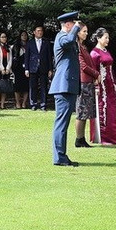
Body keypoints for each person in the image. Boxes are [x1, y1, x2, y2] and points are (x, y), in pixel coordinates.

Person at [50, 12, 82, 167]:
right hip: (63, 86)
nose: (77, 27)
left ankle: (60, 155)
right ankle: (59, 157)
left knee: (63, 122)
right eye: (74, 24)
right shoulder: (62, 37)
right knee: (61, 123)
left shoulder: (67, 39)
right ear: (68, 25)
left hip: (68, 86)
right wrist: (76, 28)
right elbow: (69, 40)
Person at [90, 28, 116, 145]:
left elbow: (110, 68)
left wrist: (114, 82)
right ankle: (103, 136)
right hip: (101, 85)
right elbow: (93, 71)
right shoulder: (94, 53)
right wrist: (96, 86)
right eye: (105, 37)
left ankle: (112, 136)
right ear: (98, 38)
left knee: (111, 110)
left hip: (110, 84)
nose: (108, 40)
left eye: (108, 37)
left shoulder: (106, 51)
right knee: (103, 108)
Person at [75, 23, 98, 147]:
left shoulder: (83, 47)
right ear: (78, 32)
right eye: (84, 31)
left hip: (88, 81)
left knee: (86, 112)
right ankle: (78, 139)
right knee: (81, 111)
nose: (86, 33)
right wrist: (96, 74)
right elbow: (83, 66)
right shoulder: (77, 47)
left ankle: (81, 138)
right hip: (83, 82)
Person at [24, 25, 53, 110]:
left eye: (41, 31)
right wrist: (26, 69)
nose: (40, 32)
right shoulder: (30, 43)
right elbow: (27, 56)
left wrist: (50, 69)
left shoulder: (46, 42)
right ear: (34, 32)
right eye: (38, 31)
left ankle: (43, 104)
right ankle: (33, 104)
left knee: (44, 86)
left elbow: (49, 56)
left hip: (44, 67)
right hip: (33, 67)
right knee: (33, 86)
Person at [0, 32, 14, 109]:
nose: (4, 38)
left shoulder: (9, 47)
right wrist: (1, 68)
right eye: (2, 37)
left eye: (5, 37)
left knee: (5, 86)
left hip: (7, 68)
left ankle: (2, 104)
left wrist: (7, 68)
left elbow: (10, 59)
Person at [12, 30, 30, 108]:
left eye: (25, 35)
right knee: (17, 86)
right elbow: (14, 57)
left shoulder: (29, 45)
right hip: (18, 68)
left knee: (26, 86)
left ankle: (24, 103)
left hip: (27, 67)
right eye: (22, 35)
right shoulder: (16, 46)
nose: (24, 37)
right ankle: (18, 102)